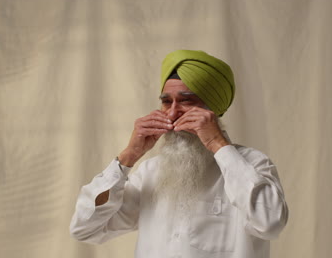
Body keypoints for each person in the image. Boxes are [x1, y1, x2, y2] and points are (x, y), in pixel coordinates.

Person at [70, 50, 288, 258]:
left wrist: (216, 142)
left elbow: (270, 223)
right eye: (166, 101)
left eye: (186, 100)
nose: (173, 113)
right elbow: (85, 228)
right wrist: (129, 156)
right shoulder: (151, 172)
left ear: (212, 109)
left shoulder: (252, 163)